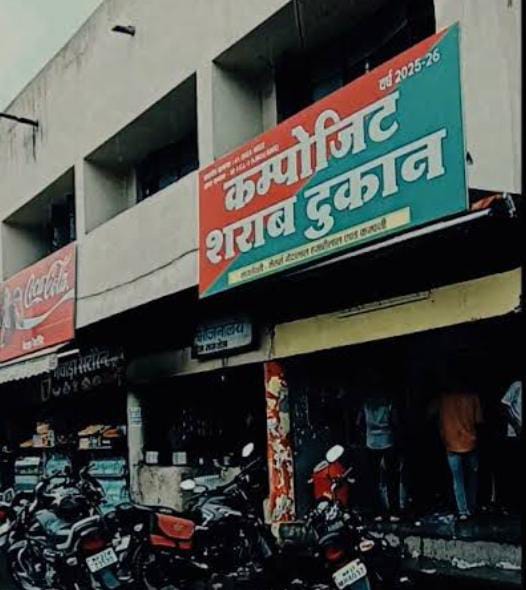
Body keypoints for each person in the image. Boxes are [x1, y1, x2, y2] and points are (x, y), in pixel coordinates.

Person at [436, 378, 483, 521]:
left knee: (458, 480)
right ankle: (471, 508)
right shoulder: (473, 397)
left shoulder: (444, 400)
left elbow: (433, 416)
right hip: (471, 442)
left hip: (451, 443)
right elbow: (478, 420)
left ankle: (462, 511)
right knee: (472, 478)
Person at [357, 376, 400, 522]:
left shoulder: (366, 405)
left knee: (374, 479)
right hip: (388, 441)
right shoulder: (388, 403)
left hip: (371, 442)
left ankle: (377, 512)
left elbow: (359, 423)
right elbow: (395, 421)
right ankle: (394, 512)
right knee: (392, 478)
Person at [497, 380, 521, 514]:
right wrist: (515, 425)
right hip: (515, 435)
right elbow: (503, 405)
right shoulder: (517, 386)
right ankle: (510, 504)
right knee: (513, 470)